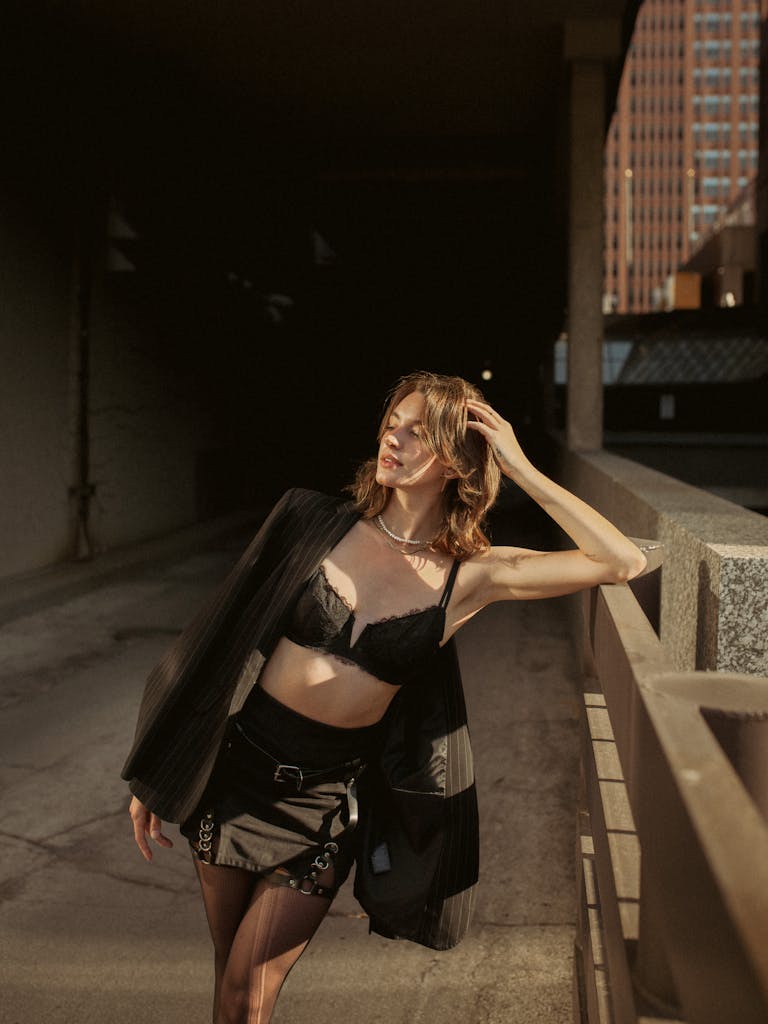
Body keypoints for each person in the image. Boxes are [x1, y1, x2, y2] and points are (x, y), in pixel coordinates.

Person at [123, 370, 648, 1023]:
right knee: (228, 979)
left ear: (456, 461)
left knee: (247, 990)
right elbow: (216, 636)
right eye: (390, 425)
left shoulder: (472, 576)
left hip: (320, 807)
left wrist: (520, 467)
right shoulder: (309, 520)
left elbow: (621, 561)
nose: (391, 441)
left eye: (417, 432)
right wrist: (156, 766)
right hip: (235, 779)